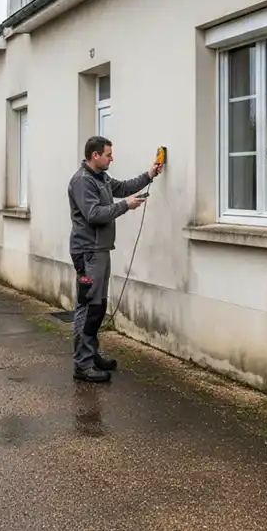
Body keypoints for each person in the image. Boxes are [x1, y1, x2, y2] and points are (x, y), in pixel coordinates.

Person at [67, 135, 162, 382]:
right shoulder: (82, 181)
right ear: (95, 155)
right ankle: (82, 365)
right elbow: (94, 214)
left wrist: (149, 175)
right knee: (88, 307)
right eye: (108, 154)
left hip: (99, 250)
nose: (112, 158)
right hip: (87, 252)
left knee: (97, 306)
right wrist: (125, 206)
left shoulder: (101, 178)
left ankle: (92, 354)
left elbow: (122, 187)